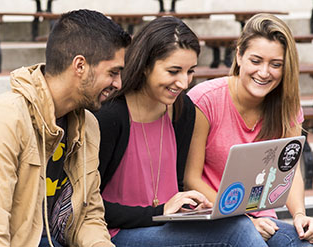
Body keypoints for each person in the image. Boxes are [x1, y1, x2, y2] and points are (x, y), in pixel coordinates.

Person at [0, 9, 131, 247]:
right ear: (80, 66)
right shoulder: (3, 120)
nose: (118, 83)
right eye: (113, 72)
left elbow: (88, 216)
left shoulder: (88, 125)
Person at [95, 16, 269, 247]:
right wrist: (158, 211)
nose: (184, 83)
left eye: (189, 72)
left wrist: (191, 206)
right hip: (118, 233)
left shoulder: (181, 109)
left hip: (167, 226)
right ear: (146, 66)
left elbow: (175, 185)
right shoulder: (111, 116)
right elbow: (88, 205)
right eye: (174, 71)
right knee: (236, 231)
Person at [185, 13, 313, 246]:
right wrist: (244, 220)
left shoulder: (287, 106)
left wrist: (300, 215)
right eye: (256, 61)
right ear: (239, 55)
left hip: (263, 219)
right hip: (211, 218)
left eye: (276, 64)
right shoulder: (204, 100)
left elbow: (289, 170)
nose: (264, 72)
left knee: (300, 243)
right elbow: (191, 179)